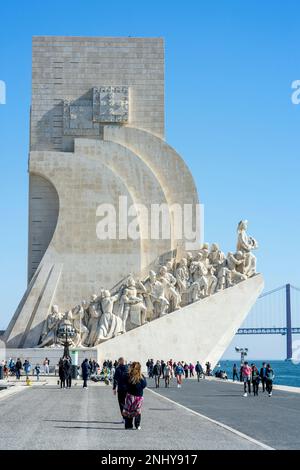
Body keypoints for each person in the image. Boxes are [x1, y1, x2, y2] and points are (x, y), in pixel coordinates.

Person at [122, 362, 147, 430]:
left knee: (129, 410)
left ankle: (129, 425)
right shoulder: (141, 376)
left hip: (130, 395)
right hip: (139, 396)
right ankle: (137, 424)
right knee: (137, 411)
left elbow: (124, 383)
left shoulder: (128, 375)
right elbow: (144, 385)